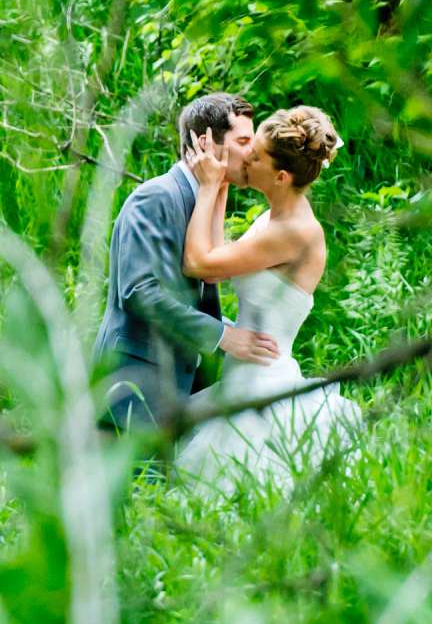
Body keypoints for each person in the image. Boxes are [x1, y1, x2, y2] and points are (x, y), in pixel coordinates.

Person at [170, 105, 361, 493]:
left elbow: (199, 263)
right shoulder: (273, 218)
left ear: (280, 176)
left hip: (261, 381)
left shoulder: (293, 232)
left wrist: (208, 187)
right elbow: (219, 254)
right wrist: (220, 185)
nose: (245, 158)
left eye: (254, 156)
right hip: (244, 374)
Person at [93, 93, 279, 434]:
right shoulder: (156, 197)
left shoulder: (202, 201)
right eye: (243, 141)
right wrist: (224, 336)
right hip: (133, 392)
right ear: (207, 142)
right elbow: (140, 292)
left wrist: (243, 332)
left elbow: (189, 294)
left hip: (175, 392)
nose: (252, 152)